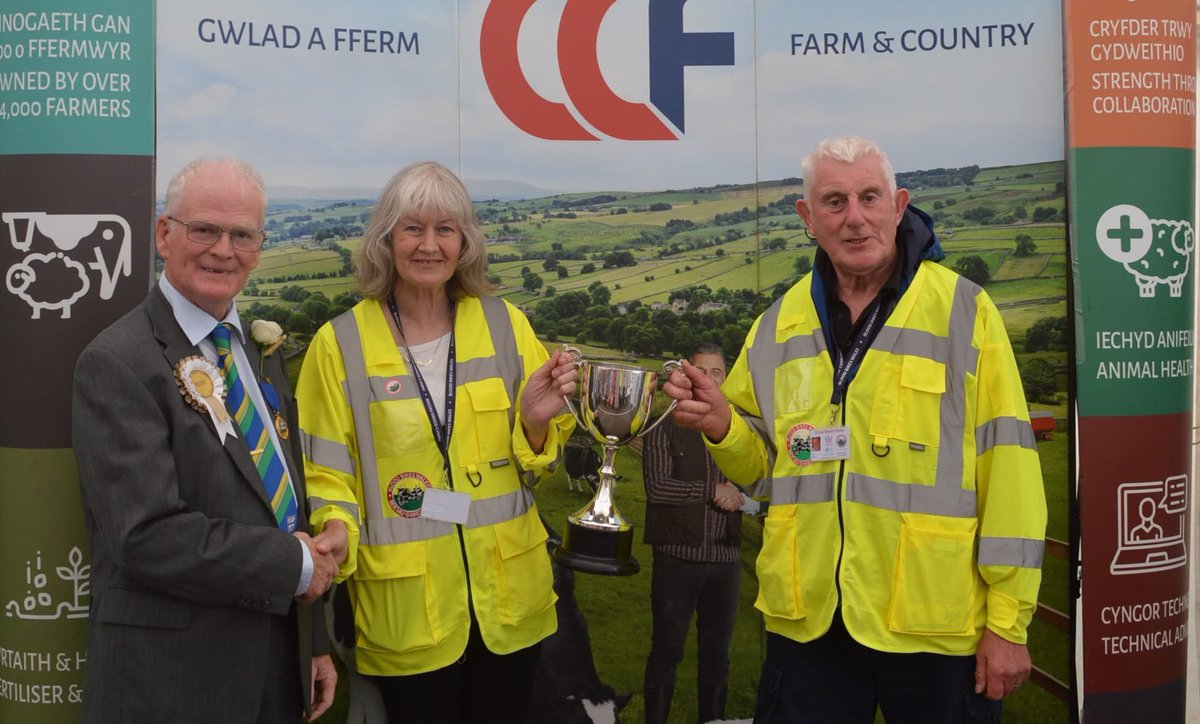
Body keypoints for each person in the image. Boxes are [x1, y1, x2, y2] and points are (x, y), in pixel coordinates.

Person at [663, 136, 1048, 723]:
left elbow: (1011, 474)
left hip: (934, 625)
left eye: (869, 197)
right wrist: (723, 429)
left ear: (898, 205)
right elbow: (768, 474)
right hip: (811, 620)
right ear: (808, 217)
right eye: (835, 201)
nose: (855, 217)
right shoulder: (777, 324)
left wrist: (1008, 622)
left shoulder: (965, 313)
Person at [296, 160, 578, 724]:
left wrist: (534, 424)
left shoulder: (506, 324)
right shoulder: (338, 344)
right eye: (413, 229)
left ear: (465, 242)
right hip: (407, 614)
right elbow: (325, 473)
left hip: (509, 605)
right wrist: (335, 529)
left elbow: (536, 462)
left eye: (445, 229)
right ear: (385, 240)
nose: (429, 245)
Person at [72, 157, 339, 722]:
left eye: (242, 235)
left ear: (259, 247)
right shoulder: (117, 361)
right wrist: (294, 564)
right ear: (164, 235)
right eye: (204, 230)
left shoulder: (260, 352)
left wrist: (312, 642)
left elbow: (285, 506)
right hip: (172, 683)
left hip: (276, 667)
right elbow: (146, 535)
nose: (223, 250)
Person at [641, 342, 760, 724]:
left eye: (717, 373)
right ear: (687, 375)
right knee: (666, 650)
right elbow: (658, 488)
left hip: (726, 560)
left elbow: (758, 484)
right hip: (677, 557)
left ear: (725, 379)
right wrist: (712, 490)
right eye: (701, 371)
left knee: (717, 655)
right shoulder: (664, 425)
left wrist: (741, 496)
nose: (709, 379)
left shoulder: (740, 432)